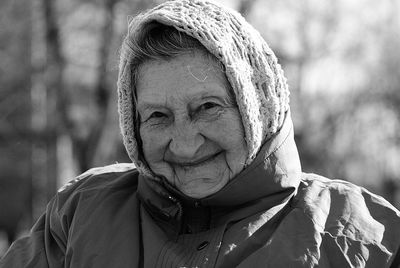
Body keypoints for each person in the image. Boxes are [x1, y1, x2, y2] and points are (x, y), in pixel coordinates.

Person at [1, 0, 400, 267]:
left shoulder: (357, 232)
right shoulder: (83, 210)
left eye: (207, 108)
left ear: (256, 107)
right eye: (157, 115)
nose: (186, 143)